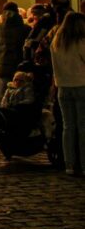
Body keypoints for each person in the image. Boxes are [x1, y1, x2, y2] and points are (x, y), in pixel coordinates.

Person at [50, 11, 85, 176]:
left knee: (67, 126)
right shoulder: (80, 42)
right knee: (82, 127)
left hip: (63, 87)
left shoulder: (56, 43)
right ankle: (84, 164)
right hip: (81, 85)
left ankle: (69, 164)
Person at [0, 2, 28, 104]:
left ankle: (2, 118)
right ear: (17, 12)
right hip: (19, 67)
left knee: (2, 97)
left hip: (2, 68)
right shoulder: (25, 28)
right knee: (20, 97)